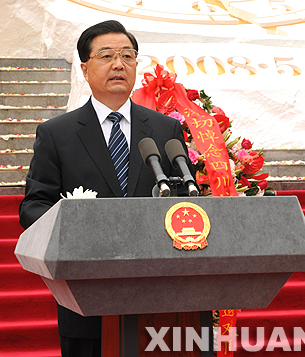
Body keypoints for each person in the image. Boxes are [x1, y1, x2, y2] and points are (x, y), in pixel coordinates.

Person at [19, 20, 195, 357]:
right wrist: (76, 227)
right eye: (107, 56)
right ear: (85, 69)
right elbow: (34, 206)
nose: (119, 64)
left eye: (128, 56)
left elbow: (189, 201)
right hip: (88, 298)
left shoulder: (165, 129)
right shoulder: (58, 134)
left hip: (162, 296)